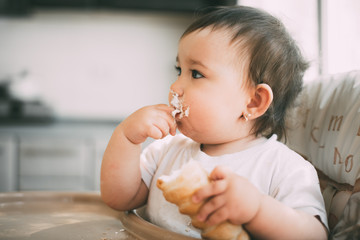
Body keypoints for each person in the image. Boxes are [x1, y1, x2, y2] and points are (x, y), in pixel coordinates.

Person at [101, 5, 328, 239]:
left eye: (196, 74)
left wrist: (257, 210)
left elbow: (315, 235)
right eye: (179, 70)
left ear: (253, 102)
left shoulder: (283, 166)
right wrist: (127, 138)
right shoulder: (167, 151)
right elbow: (119, 199)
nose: (175, 87)